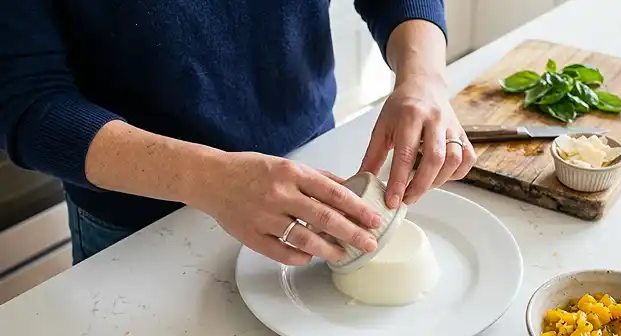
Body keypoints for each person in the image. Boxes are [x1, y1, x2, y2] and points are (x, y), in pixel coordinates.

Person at [0, 0, 476, 265]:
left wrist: (424, 77)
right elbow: (25, 102)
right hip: (140, 223)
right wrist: (208, 177)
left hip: (314, 169)